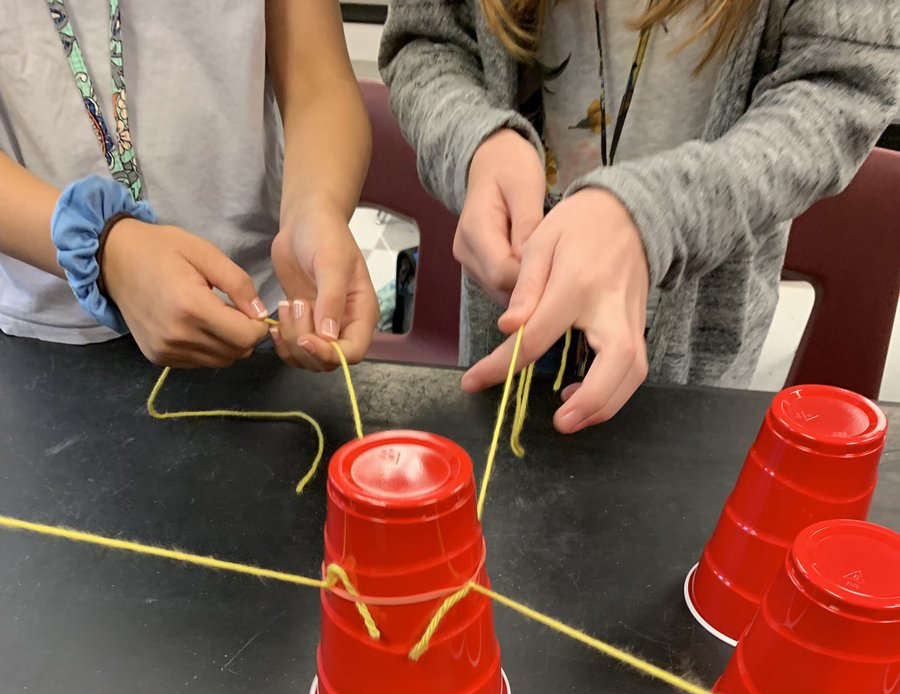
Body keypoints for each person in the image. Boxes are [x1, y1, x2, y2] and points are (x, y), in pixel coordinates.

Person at [380, 1, 899, 432]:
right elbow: (426, 40)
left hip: (693, 347)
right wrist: (478, 142)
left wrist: (660, 213)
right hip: (510, 317)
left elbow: (843, 84)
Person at [0, 1, 379, 373]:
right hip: (45, 340)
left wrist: (313, 207)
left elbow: (318, 79)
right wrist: (102, 249)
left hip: (262, 314)